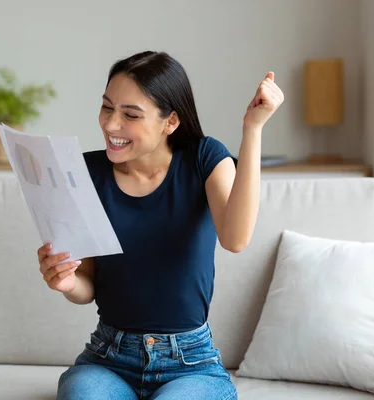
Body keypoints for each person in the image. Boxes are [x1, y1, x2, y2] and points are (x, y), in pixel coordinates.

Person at [37, 51, 284, 400]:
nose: (110, 125)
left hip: (190, 364)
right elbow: (87, 287)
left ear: (170, 122)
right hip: (108, 358)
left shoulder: (205, 158)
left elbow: (235, 238)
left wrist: (253, 128)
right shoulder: (84, 173)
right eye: (107, 107)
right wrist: (66, 281)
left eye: (130, 115)